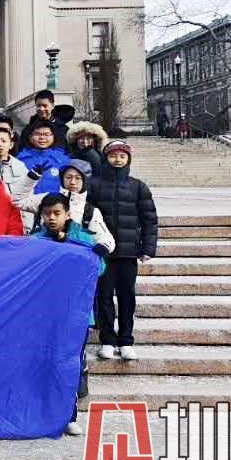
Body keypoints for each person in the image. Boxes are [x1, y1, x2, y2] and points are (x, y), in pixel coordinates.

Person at [31, 192, 106, 437]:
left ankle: (69, 414)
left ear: (67, 214)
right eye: (47, 214)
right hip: (43, 314)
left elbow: (100, 268)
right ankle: (41, 412)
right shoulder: (34, 241)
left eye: (56, 213)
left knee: (70, 365)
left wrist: (89, 251)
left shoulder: (82, 240)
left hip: (76, 316)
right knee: (41, 363)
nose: (51, 218)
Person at [89, 140, 158, 362]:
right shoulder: (94, 185)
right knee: (104, 297)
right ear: (105, 158)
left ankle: (127, 340)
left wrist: (148, 248)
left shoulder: (138, 186)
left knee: (127, 297)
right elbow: (85, 217)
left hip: (129, 253)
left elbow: (149, 220)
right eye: (113, 155)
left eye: (122, 156)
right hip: (103, 253)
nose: (117, 159)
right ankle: (107, 341)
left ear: (128, 159)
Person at [16, 160, 117, 253]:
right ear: (62, 179)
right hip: (44, 257)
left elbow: (106, 239)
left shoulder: (90, 211)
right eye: (68, 177)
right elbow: (17, 201)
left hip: (73, 261)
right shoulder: (47, 199)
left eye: (78, 178)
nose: (72, 182)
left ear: (85, 181)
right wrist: (31, 178)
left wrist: (103, 247)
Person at [16, 122, 73, 196]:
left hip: (54, 204)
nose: (42, 137)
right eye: (37, 134)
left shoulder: (64, 160)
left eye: (46, 134)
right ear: (30, 137)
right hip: (27, 204)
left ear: (53, 137)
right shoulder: (20, 159)